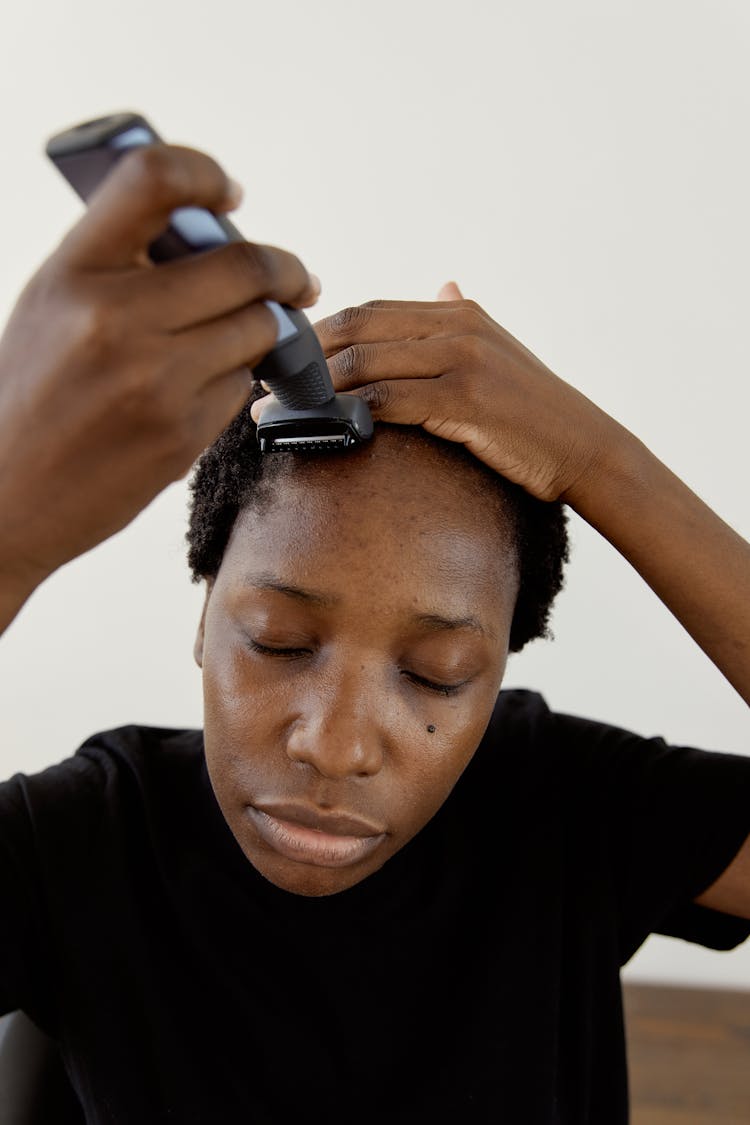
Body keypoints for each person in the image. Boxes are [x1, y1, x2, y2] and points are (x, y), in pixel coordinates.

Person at [0, 142, 748, 1124]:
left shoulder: (571, 809)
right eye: (275, 640)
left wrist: (605, 464)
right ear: (203, 620)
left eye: (437, 675)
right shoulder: (81, 844)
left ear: (500, 670)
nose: (337, 744)